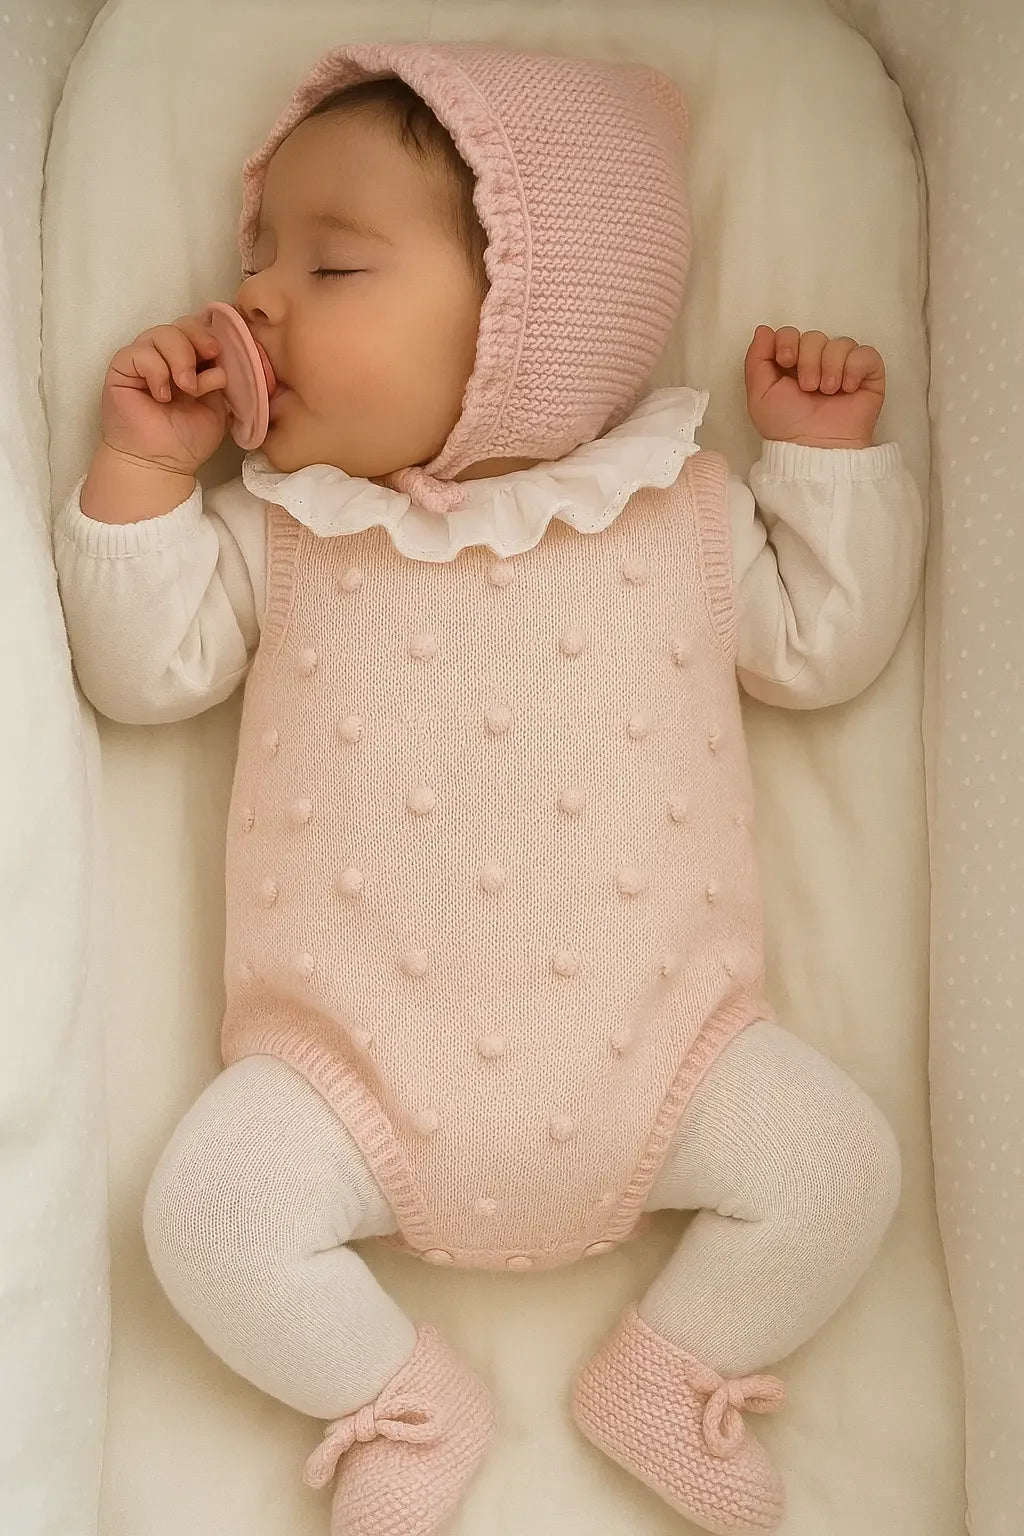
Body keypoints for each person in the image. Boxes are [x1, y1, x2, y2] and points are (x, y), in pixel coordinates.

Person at [53, 42, 924, 1536]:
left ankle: (674, 1364)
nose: (251, 298)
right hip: (345, 1081)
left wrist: (821, 465)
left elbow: (826, 649)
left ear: (527, 324)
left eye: (330, 267)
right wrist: (141, 472)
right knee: (205, 1216)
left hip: (671, 1062)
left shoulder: (674, 513)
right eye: (257, 257)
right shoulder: (294, 533)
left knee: (842, 1168)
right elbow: (144, 674)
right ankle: (395, 1397)